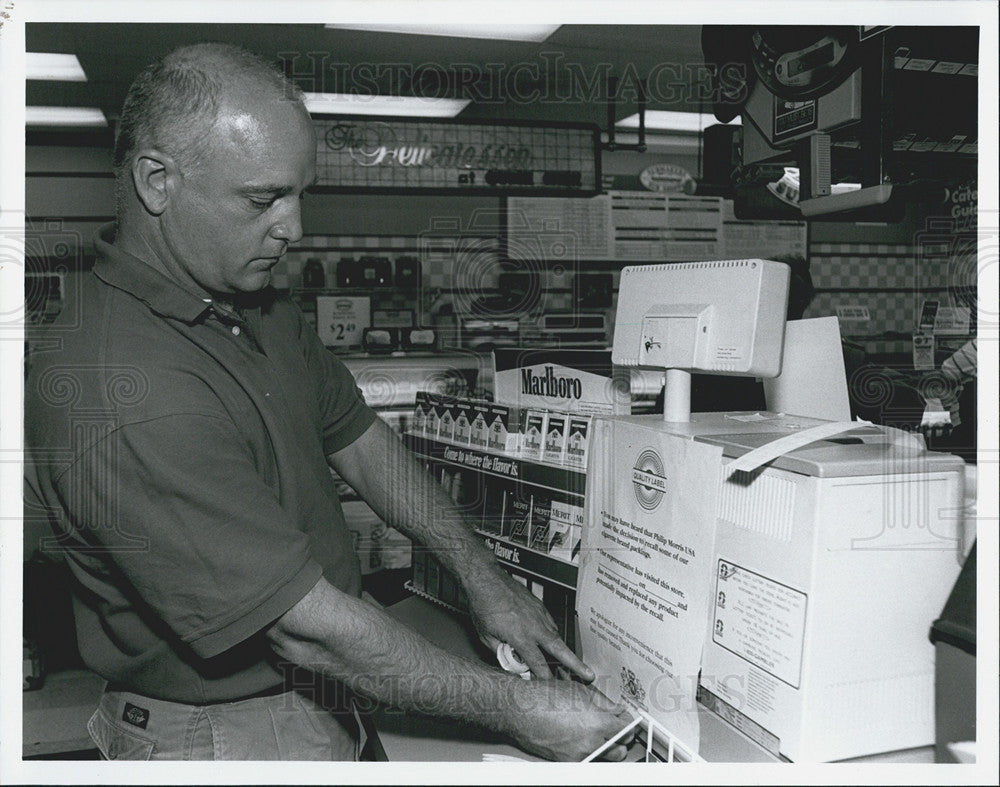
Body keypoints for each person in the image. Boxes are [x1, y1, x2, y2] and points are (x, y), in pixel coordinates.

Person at [23, 43, 629, 762]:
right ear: (157, 182)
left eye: (298, 192)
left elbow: (363, 440)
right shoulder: (124, 385)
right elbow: (299, 625)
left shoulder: (245, 296)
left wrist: (483, 580)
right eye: (262, 199)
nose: (294, 227)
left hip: (326, 685)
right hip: (224, 732)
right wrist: (519, 707)